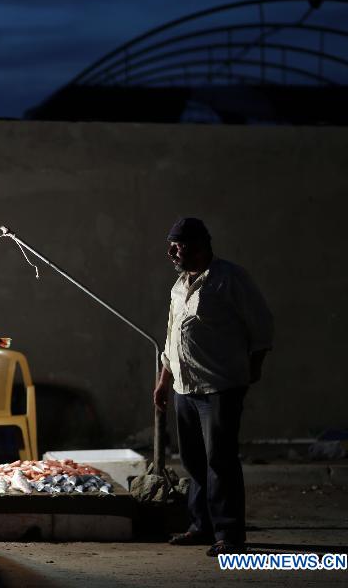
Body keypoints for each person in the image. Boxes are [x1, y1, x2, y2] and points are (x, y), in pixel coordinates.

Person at [152, 217, 274, 557]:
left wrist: (250, 371)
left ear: (201, 245)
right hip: (184, 388)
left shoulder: (230, 279)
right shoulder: (179, 285)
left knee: (219, 460)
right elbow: (171, 337)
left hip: (219, 386)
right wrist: (164, 382)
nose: (171, 252)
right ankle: (201, 526)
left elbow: (262, 326)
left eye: (178, 245)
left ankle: (230, 534)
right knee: (192, 461)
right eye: (171, 245)